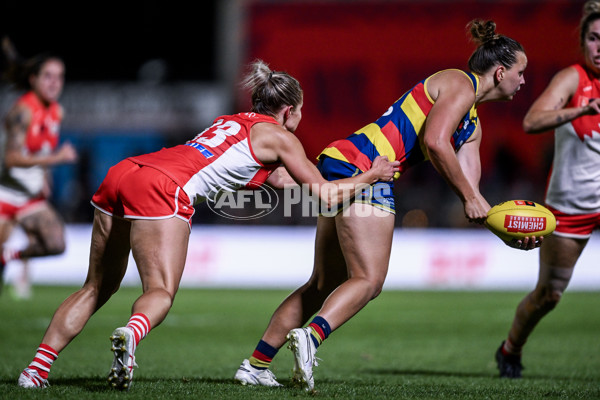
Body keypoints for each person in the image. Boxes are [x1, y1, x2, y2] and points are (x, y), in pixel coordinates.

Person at [16, 59, 399, 390]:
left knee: (97, 286)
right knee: (161, 292)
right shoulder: (281, 137)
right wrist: (372, 174)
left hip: (124, 172)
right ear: (289, 110)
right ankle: (131, 333)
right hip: (163, 189)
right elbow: (325, 196)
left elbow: (280, 179)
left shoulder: (230, 122)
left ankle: (35, 371)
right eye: (299, 113)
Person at [234, 20, 538, 391]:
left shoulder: (472, 125)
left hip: (341, 160)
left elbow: (470, 191)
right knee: (369, 280)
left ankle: (256, 364)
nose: (523, 81)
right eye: (521, 72)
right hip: (369, 168)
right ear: (501, 71)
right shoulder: (460, 83)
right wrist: (472, 199)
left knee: (322, 283)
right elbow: (438, 142)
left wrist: (503, 228)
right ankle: (310, 338)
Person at [495, 0, 600, 379]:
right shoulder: (573, 79)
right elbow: (532, 120)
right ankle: (510, 349)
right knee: (549, 295)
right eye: (593, 38)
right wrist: (580, 111)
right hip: (572, 207)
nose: (599, 47)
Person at [0, 37, 78, 297]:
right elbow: (10, 159)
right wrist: (55, 159)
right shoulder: (22, 112)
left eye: (60, 76)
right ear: (33, 79)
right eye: (48, 76)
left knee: (57, 243)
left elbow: (39, 150)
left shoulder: (56, 112)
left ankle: (8, 256)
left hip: (28, 198)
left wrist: (45, 176)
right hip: (4, 194)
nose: (55, 82)